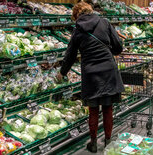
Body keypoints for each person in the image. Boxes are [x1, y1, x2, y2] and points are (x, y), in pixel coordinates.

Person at [56, 2, 125, 153]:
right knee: (108, 109)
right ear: (90, 10)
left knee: (93, 110)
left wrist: (62, 72)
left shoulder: (77, 30)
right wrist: (108, 50)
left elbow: (70, 55)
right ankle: (108, 142)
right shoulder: (105, 23)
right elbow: (118, 47)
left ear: (76, 16)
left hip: (90, 73)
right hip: (108, 70)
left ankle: (93, 143)